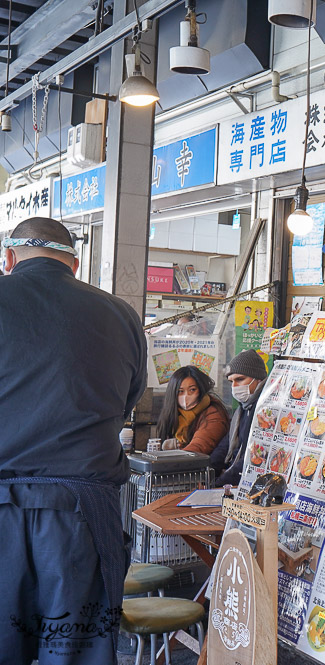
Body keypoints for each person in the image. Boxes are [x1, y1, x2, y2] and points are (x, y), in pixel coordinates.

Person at [0, 217, 146, 663]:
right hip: (80, 516)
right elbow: (126, 405)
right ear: (74, 264)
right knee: (76, 651)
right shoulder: (121, 314)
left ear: (8, 259)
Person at [156, 365, 230, 470]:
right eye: (180, 391)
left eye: (192, 390)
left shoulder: (214, 414)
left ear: (201, 389)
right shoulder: (175, 413)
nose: (186, 396)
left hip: (203, 475)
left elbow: (198, 448)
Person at [214, 350, 270, 488]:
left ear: (258, 379)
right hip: (232, 476)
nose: (234, 387)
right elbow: (226, 443)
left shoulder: (267, 411)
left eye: (240, 379)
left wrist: (219, 483)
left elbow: (252, 455)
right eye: (231, 381)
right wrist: (207, 469)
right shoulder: (243, 409)